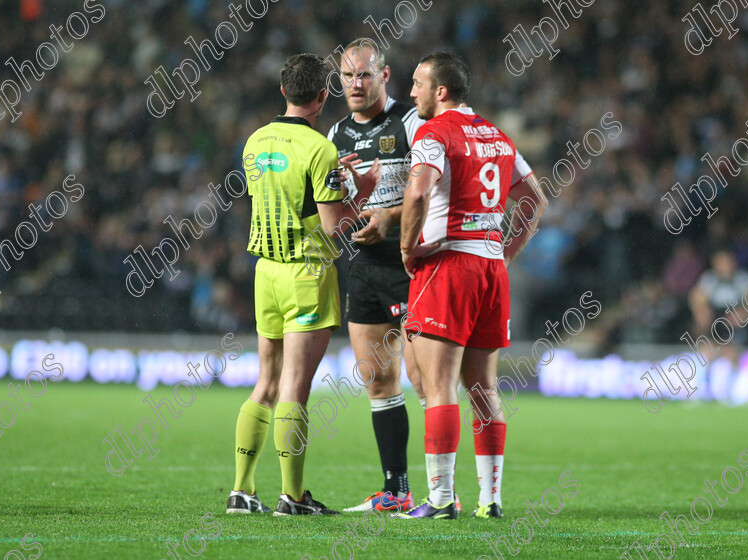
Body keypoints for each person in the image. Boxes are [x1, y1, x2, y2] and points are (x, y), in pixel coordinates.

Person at [396, 53, 547, 519]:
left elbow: (419, 192)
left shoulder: (433, 133)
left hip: (448, 264)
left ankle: (440, 500)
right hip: (490, 270)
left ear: (441, 91)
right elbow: (535, 200)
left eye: (419, 83)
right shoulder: (497, 136)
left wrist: (406, 248)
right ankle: (491, 500)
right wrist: (506, 252)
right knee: (484, 388)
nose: (411, 92)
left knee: (436, 386)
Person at [227, 53, 377, 516]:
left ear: (282, 91)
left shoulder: (254, 142)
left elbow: (275, 201)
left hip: (265, 273)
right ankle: (292, 498)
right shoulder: (320, 149)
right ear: (322, 96)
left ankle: (242, 491)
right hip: (306, 273)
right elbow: (333, 226)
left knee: (265, 383)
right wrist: (364, 191)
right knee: (294, 388)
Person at [326, 38, 428, 514]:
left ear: (385, 76)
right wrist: (346, 205)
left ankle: (442, 494)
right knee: (377, 380)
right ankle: (396, 491)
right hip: (365, 267)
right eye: (347, 76)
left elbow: (432, 183)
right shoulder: (334, 136)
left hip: (412, 263)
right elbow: (332, 212)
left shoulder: (410, 121)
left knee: (424, 378)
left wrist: (387, 213)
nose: (355, 84)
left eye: (364, 75)